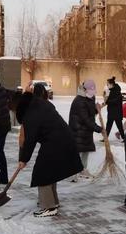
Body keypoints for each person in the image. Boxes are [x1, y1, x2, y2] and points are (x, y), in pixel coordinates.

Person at [16, 84, 83, 217]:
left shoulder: (31, 113)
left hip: (56, 142)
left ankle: (48, 207)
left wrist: (23, 159)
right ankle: (53, 202)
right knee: (49, 171)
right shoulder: (39, 105)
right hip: (62, 140)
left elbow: (30, 140)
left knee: (42, 172)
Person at [68, 80, 102, 179]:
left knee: (86, 150)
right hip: (78, 129)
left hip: (86, 130)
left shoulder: (90, 98)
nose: (93, 92)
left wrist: (97, 109)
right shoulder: (79, 101)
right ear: (85, 89)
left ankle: (83, 170)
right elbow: (85, 119)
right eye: (91, 90)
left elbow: (90, 113)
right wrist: (99, 129)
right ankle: (73, 173)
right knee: (77, 151)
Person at [103, 76, 125, 140]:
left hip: (117, 112)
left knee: (119, 126)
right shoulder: (110, 91)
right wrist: (105, 96)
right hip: (111, 111)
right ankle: (105, 138)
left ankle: (124, 138)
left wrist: (107, 101)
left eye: (108, 84)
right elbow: (107, 101)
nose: (107, 85)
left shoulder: (117, 91)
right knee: (108, 125)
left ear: (111, 84)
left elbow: (115, 101)